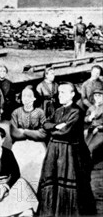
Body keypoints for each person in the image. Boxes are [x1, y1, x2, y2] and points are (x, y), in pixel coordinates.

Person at [38, 82, 97, 216]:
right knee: (53, 181)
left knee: (70, 183)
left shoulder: (77, 112)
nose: (60, 95)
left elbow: (65, 132)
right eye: (59, 92)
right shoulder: (58, 110)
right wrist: (55, 126)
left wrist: (54, 129)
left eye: (63, 92)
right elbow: (44, 124)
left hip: (70, 153)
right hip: (55, 151)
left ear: (72, 94)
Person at [10, 87, 47, 191]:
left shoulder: (40, 112)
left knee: (37, 172)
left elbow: (43, 133)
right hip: (20, 147)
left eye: (29, 96)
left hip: (37, 147)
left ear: (34, 98)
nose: (26, 98)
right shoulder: (16, 113)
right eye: (23, 96)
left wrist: (25, 132)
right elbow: (14, 133)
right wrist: (35, 133)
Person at [85, 89, 103, 168]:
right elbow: (85, 119)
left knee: (90, 148)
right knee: (83, 146)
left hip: (100, 131)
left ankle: (89, 167)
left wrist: (99, 128)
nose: (97, 98)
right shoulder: (91, 108)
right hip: (90, 130)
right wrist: (90, 117)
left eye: (100, 96)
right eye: (96, 96)